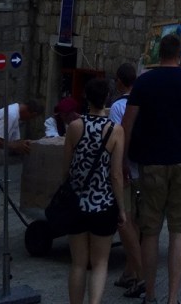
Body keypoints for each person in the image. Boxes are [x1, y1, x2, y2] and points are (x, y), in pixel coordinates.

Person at [122, 34, 181, 304]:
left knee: (149, 230)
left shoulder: (144, 83)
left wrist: (123, 160)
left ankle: (150, 294)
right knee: (178, 230)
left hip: (152, 162)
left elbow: (127, 124)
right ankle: (173, 298)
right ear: (179, 53)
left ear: (159, 54)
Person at [64, 77, 126, 304]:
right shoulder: (116, 131)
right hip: (104, 204)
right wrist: (121, 209)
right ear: (107, 99)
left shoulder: (74, 127)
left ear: (86, 98)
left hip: (77, 203)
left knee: (78, 263)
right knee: (100, 263)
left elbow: (67, 167)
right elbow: (116, 174)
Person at [109, 63, 145, 299]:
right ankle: (130, 272)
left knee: (124, 220)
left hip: (126, 168)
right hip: (146, 167)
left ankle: (139, 274)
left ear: (120, 81)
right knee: (139, 222)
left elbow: (116, 140)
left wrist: (120, 166)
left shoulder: (117, 106)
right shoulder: (146, 103)